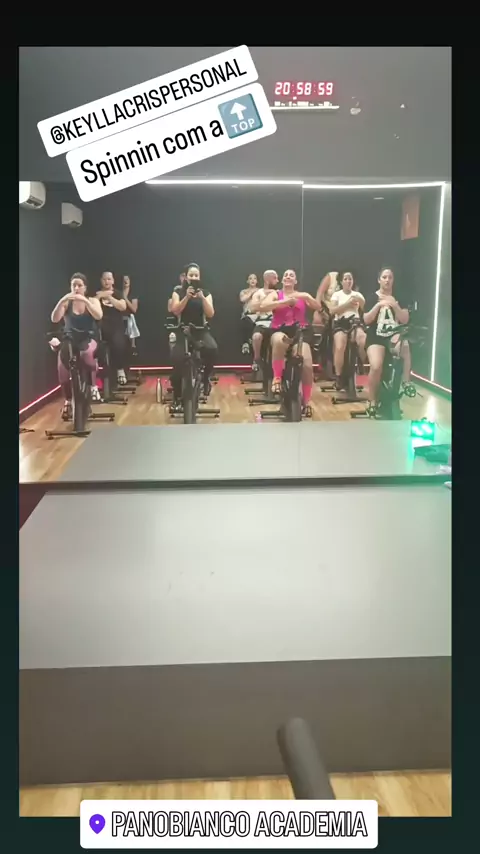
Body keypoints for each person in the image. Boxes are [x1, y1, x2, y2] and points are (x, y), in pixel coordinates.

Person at [258, 269, 322, 413]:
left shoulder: (302, 295)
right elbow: (263, 306)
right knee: (279, 341)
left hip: (301, 331)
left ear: (295, 281)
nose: (288, 277)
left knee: (307, 364)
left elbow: (318, 307)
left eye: (291, 275)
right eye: (286, 275)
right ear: (282, 280)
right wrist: (285, 301)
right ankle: (277, 378)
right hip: (280, 329)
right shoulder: (276, 294)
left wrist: (306, 296)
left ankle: (306, 401)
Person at [49, 273, 103, 419]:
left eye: (79, 285)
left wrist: (84, 300)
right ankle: (68, 399)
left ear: (85, 287)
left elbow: (98, 315)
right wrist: (62, 300)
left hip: (88, 337)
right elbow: (54, 319)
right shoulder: (67, 303)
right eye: (74, 285)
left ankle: (93, 385)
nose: (76, 288)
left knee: (86, 355)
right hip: (70, 338)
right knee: (62, 366)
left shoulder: (92, 300)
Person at [169, 263, 218, 408]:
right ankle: (177, 394)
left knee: (212, 349)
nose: (194, 277)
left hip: (200, 330)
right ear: (186, 277)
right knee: (177, 359)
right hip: (183, 330)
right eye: (191, 275)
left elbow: (210, 314)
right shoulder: (178, 291)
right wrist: (187, 297)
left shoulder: (206, 293)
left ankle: (205, 378)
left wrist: (202, 298)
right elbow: (175, 310)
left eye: (196, 275)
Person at [363, 267, 411, 407]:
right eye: (384, 277)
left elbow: (405, 319)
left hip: (393, 335)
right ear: (379, 280)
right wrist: (379, 305)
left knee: (405, 345)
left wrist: (394, 305)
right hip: (375, 336)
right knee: (376, 366)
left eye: (390, 277)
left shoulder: (399, 297)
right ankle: (372, 400)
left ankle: (406, 382)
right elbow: (366, 320)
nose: (387, 280)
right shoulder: (372, 297)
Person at [329, 271, 366, 389]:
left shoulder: (357, 294)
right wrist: (347, 304)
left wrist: (359, 300)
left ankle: (362, 364)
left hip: (355, 322)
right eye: (345, 279)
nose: (348, 281)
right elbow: (332, 310)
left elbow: (365, 308)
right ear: (341, 281)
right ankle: (338, 376)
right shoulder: (337, 295)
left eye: (350, 279)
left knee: (362, 339)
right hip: (341, 323)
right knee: (340, 345)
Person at [96, 272, 127, 386]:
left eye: (109, 279)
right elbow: (92, 304)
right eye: (104, 279)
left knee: (118, 343)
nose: (106, 281)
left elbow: (123, 307)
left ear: (113, 281)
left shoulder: (118, 293)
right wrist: (100, 296)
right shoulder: (97, 294)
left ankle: (120, 369)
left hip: (116, 325)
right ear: (101, 281)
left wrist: (109, 297)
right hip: (101, 326)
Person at [247, 269, 278, 370]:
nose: (277, 281)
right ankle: (257, 359)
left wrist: (262, 306)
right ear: (267, 279)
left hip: (276, 322)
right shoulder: (258, 293)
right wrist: (268, 301)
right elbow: (252, 308)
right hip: (262, 322)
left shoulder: (279, 293)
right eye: (275, 278)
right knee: (256, 337)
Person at [239, 273, 260, 356]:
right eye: (250, 278)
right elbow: (242, 300)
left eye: (254, 278)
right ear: (247, 281)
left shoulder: (260, 291)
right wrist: (252, 293)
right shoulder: (244, 292)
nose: (252, 280)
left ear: (257, 281)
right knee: (246, 321)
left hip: (258, 315)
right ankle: (246, 343)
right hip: (248, 315)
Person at [122, 275, 139, 358]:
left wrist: (125, 298)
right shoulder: (119, 292)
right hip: (120, 319)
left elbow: (134, 309)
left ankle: (132, 351)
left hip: (129, 319)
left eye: (127, 279)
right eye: (124, 279)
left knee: (130, 338)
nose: (126, 281)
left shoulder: (133, 293)